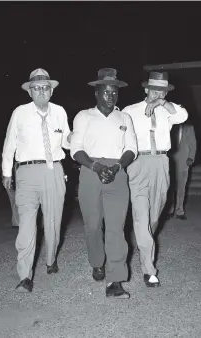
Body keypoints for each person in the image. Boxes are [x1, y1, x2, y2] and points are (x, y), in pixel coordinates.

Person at [70, 68, 137, 299]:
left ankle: (115, 280)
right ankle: (97, 261)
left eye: (115, 92)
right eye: (106, 92)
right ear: (96, 93)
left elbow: (131, 149)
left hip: (118, 172)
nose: (111, 96)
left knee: (116, 228)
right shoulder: (83, 116)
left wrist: (117, 167)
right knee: (93, 225)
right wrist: (96, 166)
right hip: (90, 170)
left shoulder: (124, 118)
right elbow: (76, 149)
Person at [2, 68, 71, 293]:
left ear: (51, 91)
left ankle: (51, 260)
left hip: (54, 170)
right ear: (29, 92)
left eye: (45, 87)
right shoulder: (20, 113)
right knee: (27, 226)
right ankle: (25, 276)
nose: (41, 91)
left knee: (53, 222)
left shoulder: (60, 112)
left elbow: (68, 142)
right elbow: (9, 144)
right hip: (27, 173)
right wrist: (7, 173)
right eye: (36, 88)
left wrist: (82, 136)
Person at [122, 71, 188, 287]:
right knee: (141, 217)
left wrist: (162, 103)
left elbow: (183, 116)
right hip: (138, 163)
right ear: (145, 89)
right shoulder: (130, 111)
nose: (157, 93)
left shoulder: (168, 111)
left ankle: (145, 244)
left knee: (153, 218)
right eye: (154, 89)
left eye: (162, 90)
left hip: (161, 162)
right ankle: (149, 270)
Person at [167, 123, 196, 220]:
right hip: (170, 159)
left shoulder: (189, 127)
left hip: (183, 160)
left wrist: (191, 157)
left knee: (181, 186)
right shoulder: (168, 125)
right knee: (169, 186)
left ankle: (179, 211)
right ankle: (169, 210)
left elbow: (193, 143)